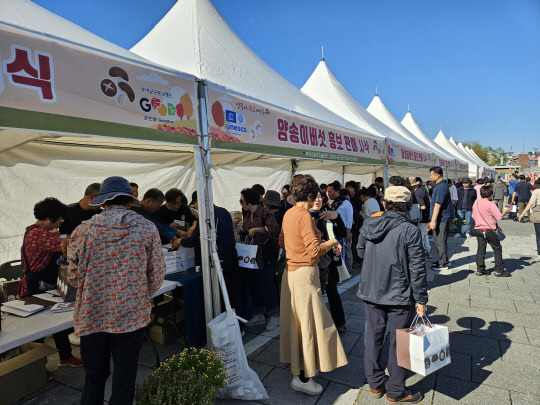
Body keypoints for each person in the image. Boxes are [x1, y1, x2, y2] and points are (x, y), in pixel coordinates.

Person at [67, 176, 166, 405]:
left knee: (94, 377)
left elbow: (73, 276)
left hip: (93, 314)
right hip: (130, 315)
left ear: (103, 203)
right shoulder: (146, 228)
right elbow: (158, 272)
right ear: (129, 201)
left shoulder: (84, 230)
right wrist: (138, 293)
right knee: (125, 376)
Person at [356, 186, 427, 403]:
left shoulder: (369, 224)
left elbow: (360, 252)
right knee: (399, 341)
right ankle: (396, 391)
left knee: (373, 337)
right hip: (399, 294)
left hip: (371, 290)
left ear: (384, 204)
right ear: (407, 207)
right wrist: (421, 299)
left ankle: (375, 384)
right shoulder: (410, 230)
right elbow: (417, 267)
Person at [279, 174, 347, 395]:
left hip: (291, 274)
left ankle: (302, 369)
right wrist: (331, 242)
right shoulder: (304, 216)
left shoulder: (289, 213)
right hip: (305, 275)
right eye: (315, 194)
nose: (318, 198)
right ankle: (303, 377)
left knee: (297, 325)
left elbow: (282, 242)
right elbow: (313, 251)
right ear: (308, 196)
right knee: (308, 326)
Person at [18, 197, 83, 373]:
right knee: (39, 328)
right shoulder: (39, 234)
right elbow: (71, 246)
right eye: (59, 218)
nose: (61, 222)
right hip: (38, 286)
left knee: (58, 321)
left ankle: (65, 356)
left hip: (45, 283)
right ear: (49, 217)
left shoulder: (34, 231)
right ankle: (37, 367)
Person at [179, 198, 245, 318]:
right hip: (231, 254)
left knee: (222, 291)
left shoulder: (206, 216)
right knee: (233, 289)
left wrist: (180, 241)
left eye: (195, 203)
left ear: (198, 202)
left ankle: (227, 324)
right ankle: (237, 324)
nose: (195, 207)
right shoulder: (224, 211)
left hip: (220, 256)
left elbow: (195, 239)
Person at [234, 188, 280, 331]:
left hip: (265, 254)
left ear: (249, 201)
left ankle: (274, 315)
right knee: (254, 283)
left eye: (242, 200)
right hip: (251, 255)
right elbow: (246, 234)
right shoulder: (247, 215)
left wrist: (259, 229)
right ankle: (259, 314)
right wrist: (237, 227)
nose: (241, 203)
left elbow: (275, 229)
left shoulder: (265, 213)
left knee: (267, 283)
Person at [471, 185, 510, 277]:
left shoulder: (476, 203)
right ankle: (499, 270)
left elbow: (473, 216)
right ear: (490, 194)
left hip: (478, 229)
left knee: (481, 249)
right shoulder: (491, 204)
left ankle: (480, 269)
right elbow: (499, 217)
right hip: (490, 229)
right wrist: (504, 211)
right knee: (497, 249)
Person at [427, 166, 453, 271]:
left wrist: (433, 221)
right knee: (437, 240)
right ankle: (443, 260)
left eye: (431, 174)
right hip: (440, 218)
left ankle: (443, 263)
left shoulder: (441, 187)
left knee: (440, 241)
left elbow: (437, 205)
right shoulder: (439, 185)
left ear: (437, 175)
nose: (430, 176)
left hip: (442, 218)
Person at [327, 181, 353, 271]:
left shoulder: (346, 203)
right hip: (332, 233)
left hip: (341, 233)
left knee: (341, 254)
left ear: (337, 192)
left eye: (330, 191)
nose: (328, 193)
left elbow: (349, 219)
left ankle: (343, 273)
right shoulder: (333, 202)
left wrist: (348, 233)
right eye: (328, 192)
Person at [518, 177, 540, 262]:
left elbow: (531, 204)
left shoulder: (537, 191)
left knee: (539, 235)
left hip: (538, 214)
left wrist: (522, 213)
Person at [410, 177, 431, 259]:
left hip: (422, 217)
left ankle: (421, 253)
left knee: (421, 235)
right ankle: (427, 251)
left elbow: (422, 206)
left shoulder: (418, 192)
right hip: (426, 217)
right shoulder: (422, 189)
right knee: (424, 234)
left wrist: (414, 210)